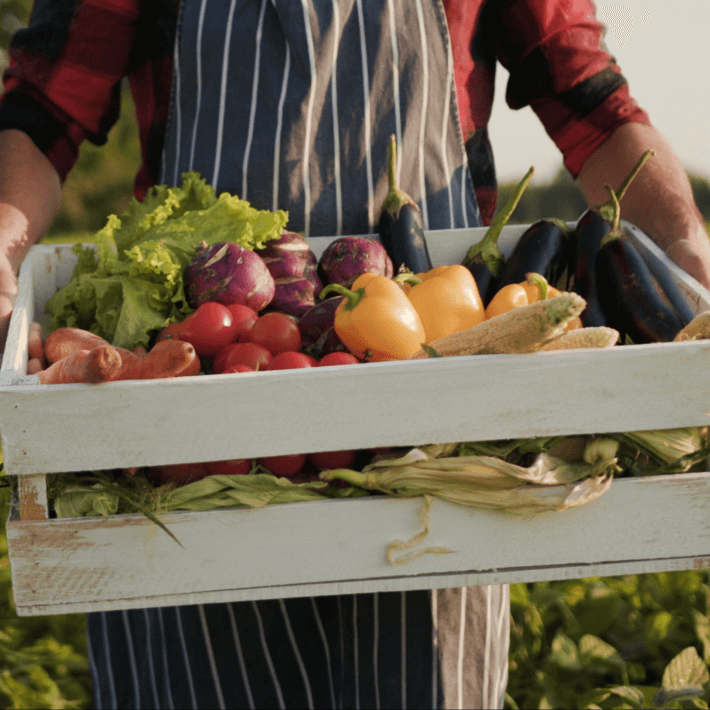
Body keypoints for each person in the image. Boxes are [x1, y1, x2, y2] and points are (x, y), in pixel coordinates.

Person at [0, 1, 708, 708]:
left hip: (434, 437)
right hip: (203, 425)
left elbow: (590, 100)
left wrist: (686, 245)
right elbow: (42, 112)